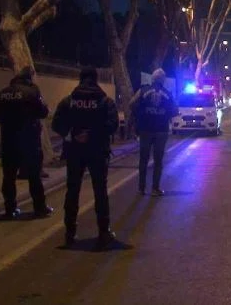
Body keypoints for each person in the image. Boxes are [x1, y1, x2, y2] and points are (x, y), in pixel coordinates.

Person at [52, 67, 119, 248]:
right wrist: (92, 135)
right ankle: (103, 232)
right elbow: (112, 125)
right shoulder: (105, 101)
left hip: (74, 150)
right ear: (96, 80)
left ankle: (69, 232)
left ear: (80, 80)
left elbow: (56, 124)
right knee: (100, 191)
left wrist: (73, 134)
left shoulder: (69, 101)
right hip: (97, 151)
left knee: (72, 191)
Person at [0, 67, 53, 219]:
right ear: (29, 79)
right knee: (34, 176)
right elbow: (43, 112)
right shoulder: (32, 92)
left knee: (9, 177)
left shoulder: (2, 93)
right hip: (29, 141)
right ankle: (40, 208)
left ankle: (10, 209)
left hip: (9, 141)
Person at [129, 68, 176, 196]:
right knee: (158, 160)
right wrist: (164, 115)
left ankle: (141, 188)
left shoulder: (143, 90)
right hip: (161, 130)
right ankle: (155, 188)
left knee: (143, 159)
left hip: (145, 129)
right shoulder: (167, 93)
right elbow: (174, 110)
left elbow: (131, 104)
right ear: (163, 80)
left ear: (152, 79)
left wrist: (140, 115)